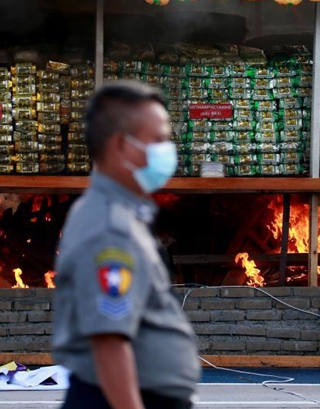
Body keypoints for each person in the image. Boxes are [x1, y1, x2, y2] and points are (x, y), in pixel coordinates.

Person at [52, 80, 200, 409]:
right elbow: (109, 341)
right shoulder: (111, 228)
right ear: (121, 144)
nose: (167, 150)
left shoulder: (118, 214)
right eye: (158, 140)